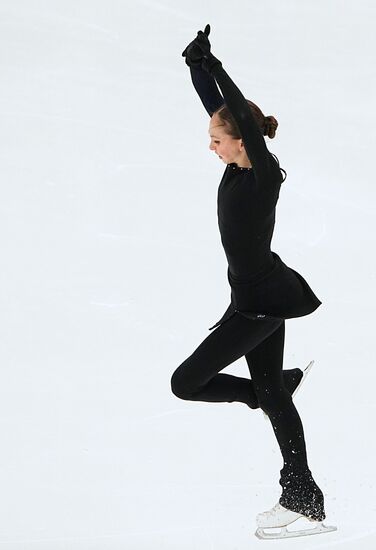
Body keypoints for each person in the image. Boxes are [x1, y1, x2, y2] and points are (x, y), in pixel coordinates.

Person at [170, 25, 336, 539]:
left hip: (262, 302)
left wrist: (217, 66)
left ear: (242, 140)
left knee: (186, 383)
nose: (212, 148)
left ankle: (271, 401)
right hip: (255, 294)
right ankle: (303, 498)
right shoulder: (238, 166)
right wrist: (197, 66)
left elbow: (238, 114)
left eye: (217, 142)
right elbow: (220, 111)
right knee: (271, 392)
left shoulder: (262, 171)